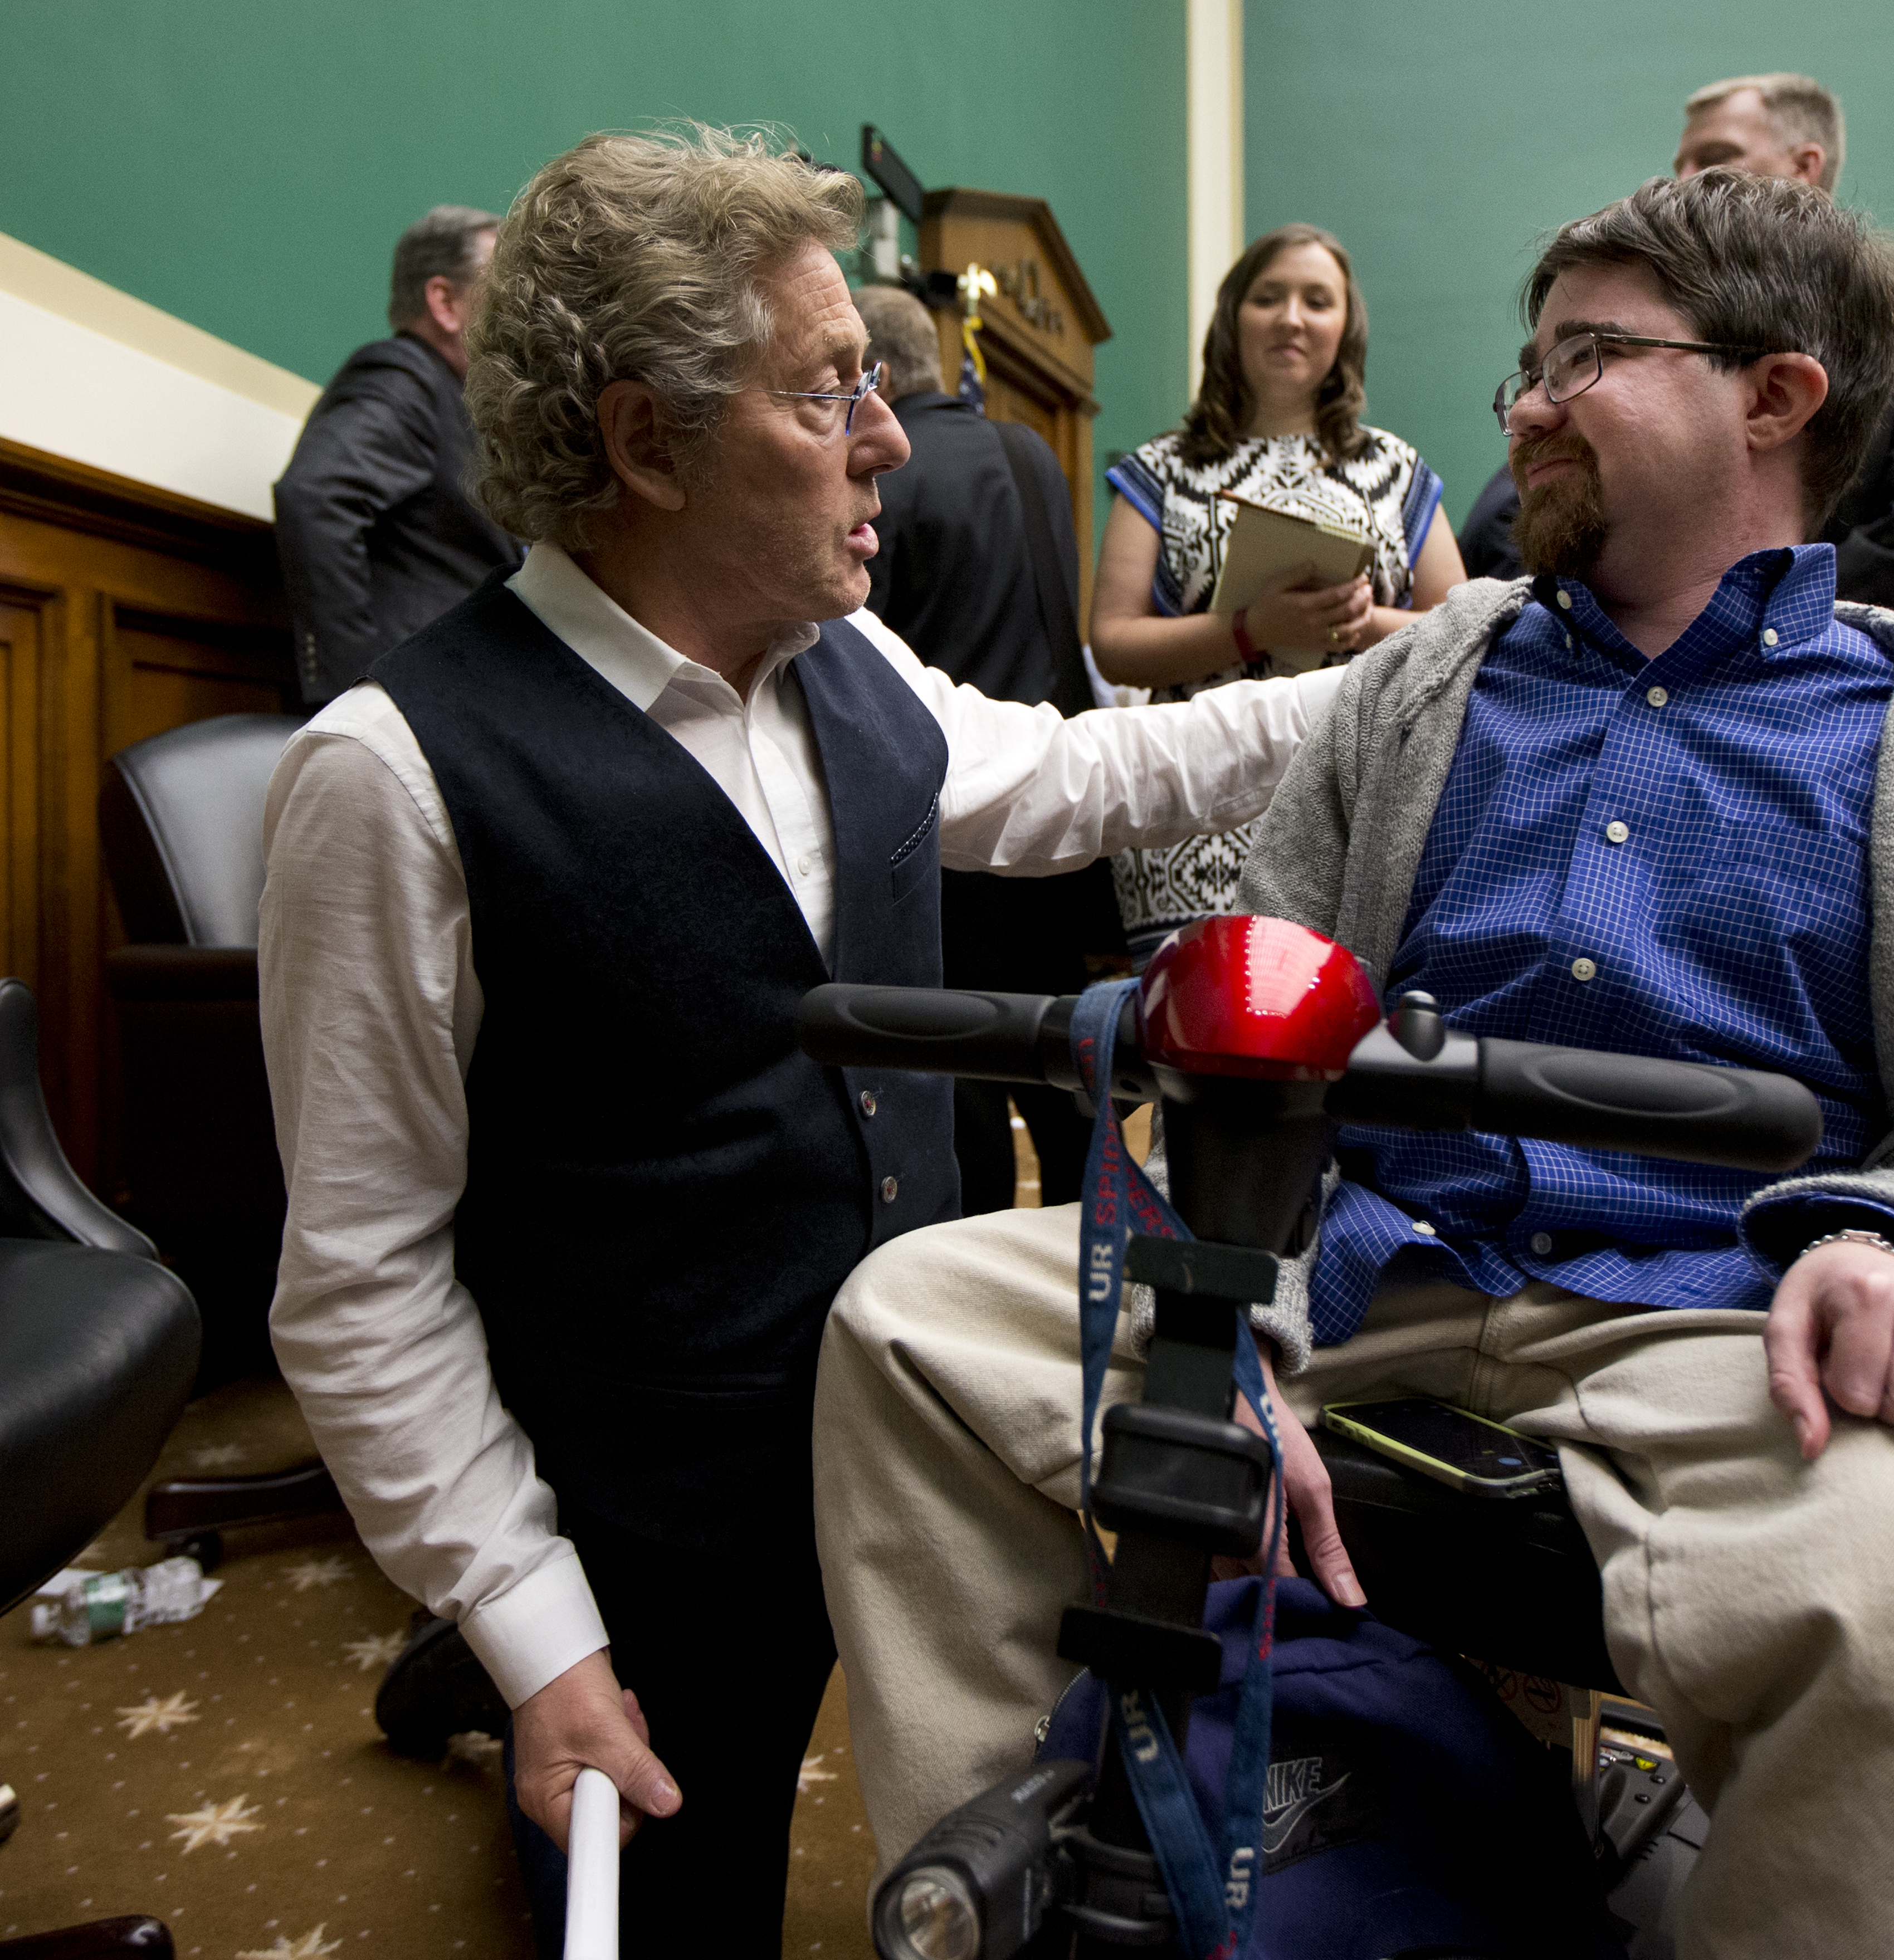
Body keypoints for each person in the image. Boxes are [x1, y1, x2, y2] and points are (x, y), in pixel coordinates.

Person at [814, 169, 1894, 1957]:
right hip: (1365, 1265)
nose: (1522, 403)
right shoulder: (1411, 688)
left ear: (1775, 396)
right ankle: (1044, 1883)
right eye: (1527, 363)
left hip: (1739, 1323)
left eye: (1585, 357)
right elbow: (1261, 1011)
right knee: (912, 1321)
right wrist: (1218, 1282)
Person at [256, 127, 1345, 1958]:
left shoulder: (854, 659)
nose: (892, 437)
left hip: (909, 1444)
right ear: (642, 439)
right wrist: (536, 1629)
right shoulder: (391, 772)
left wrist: (1405, 677)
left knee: (1014, 1865)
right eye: (828, 387)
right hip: (643, 1538)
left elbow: (1088, 772)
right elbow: (358, 1281)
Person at [1456, 70, 1894, 618]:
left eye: (1715, 156)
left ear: (1804, 167)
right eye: (1680, 164)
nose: (1687, 177)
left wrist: (1756, 627)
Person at [1090, 222, 1466, 963]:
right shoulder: (1161, 469)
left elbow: (1458, 633)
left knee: (1332, 1041)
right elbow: (1114, 641)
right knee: (1196, 1043)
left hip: (1353, 805)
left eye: (1316, 300)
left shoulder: (1395, 469)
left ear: (1343, 329)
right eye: (1269, 297)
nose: (1291, 317)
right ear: (1233, 317)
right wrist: (1248, 627)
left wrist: (1359, 623)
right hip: (1190, 814)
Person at [856, 281, 1125, 1212]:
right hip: (1052, 808)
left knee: (964, 1062)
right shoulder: (1033, 452)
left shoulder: (883, 479)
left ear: (876, 375)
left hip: (951, 812)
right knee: (1064, 1063)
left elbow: (861, 657)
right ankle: (1095, 1245)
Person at [272, 205, 521, 704]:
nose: (520, 315)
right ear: (444, 302)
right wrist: (355, 693)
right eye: (503, 293)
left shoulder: (459, 399)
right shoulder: (401, 376)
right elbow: (316, 496)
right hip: (414, 706)